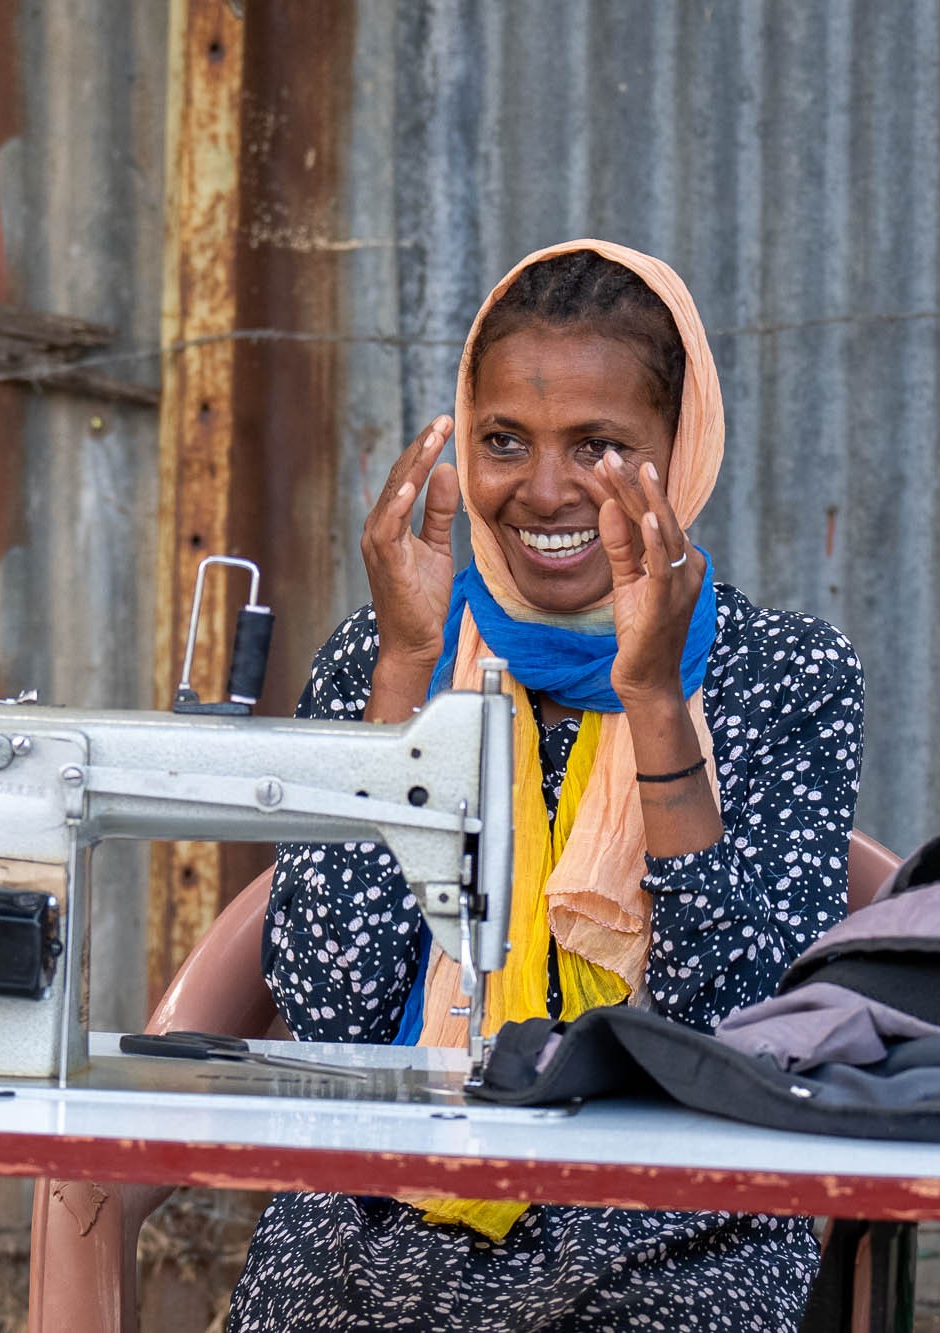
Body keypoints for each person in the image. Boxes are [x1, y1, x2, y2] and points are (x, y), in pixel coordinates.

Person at [227, 240, 865, 1333]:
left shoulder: (786, 675)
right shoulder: (390, 647)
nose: (545, 488)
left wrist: (657, 700)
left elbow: (739, 1034)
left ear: (681, 448)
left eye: (600, 446)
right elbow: (330, 1003)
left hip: (681, 1202)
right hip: (391, 1191)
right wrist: (396, 671)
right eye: (503, 441)